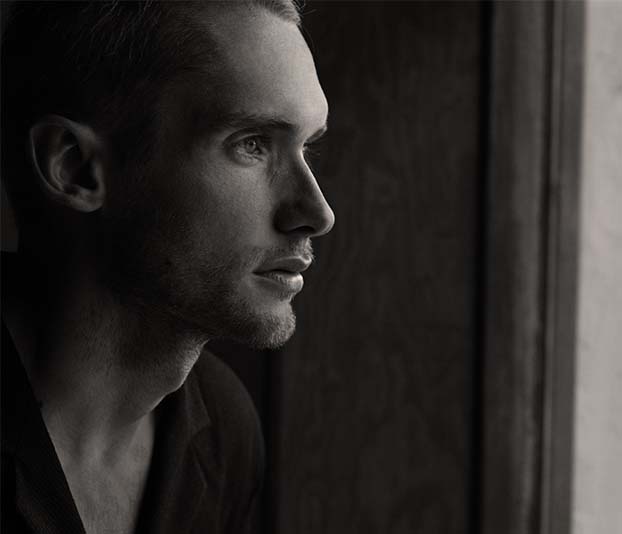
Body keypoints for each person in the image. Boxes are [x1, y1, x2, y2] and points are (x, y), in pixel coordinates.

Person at [0, 1, 335, 532]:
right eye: (251, 145)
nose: (317, 214)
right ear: (75, 167)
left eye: (307, 148)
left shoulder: (223, 430)